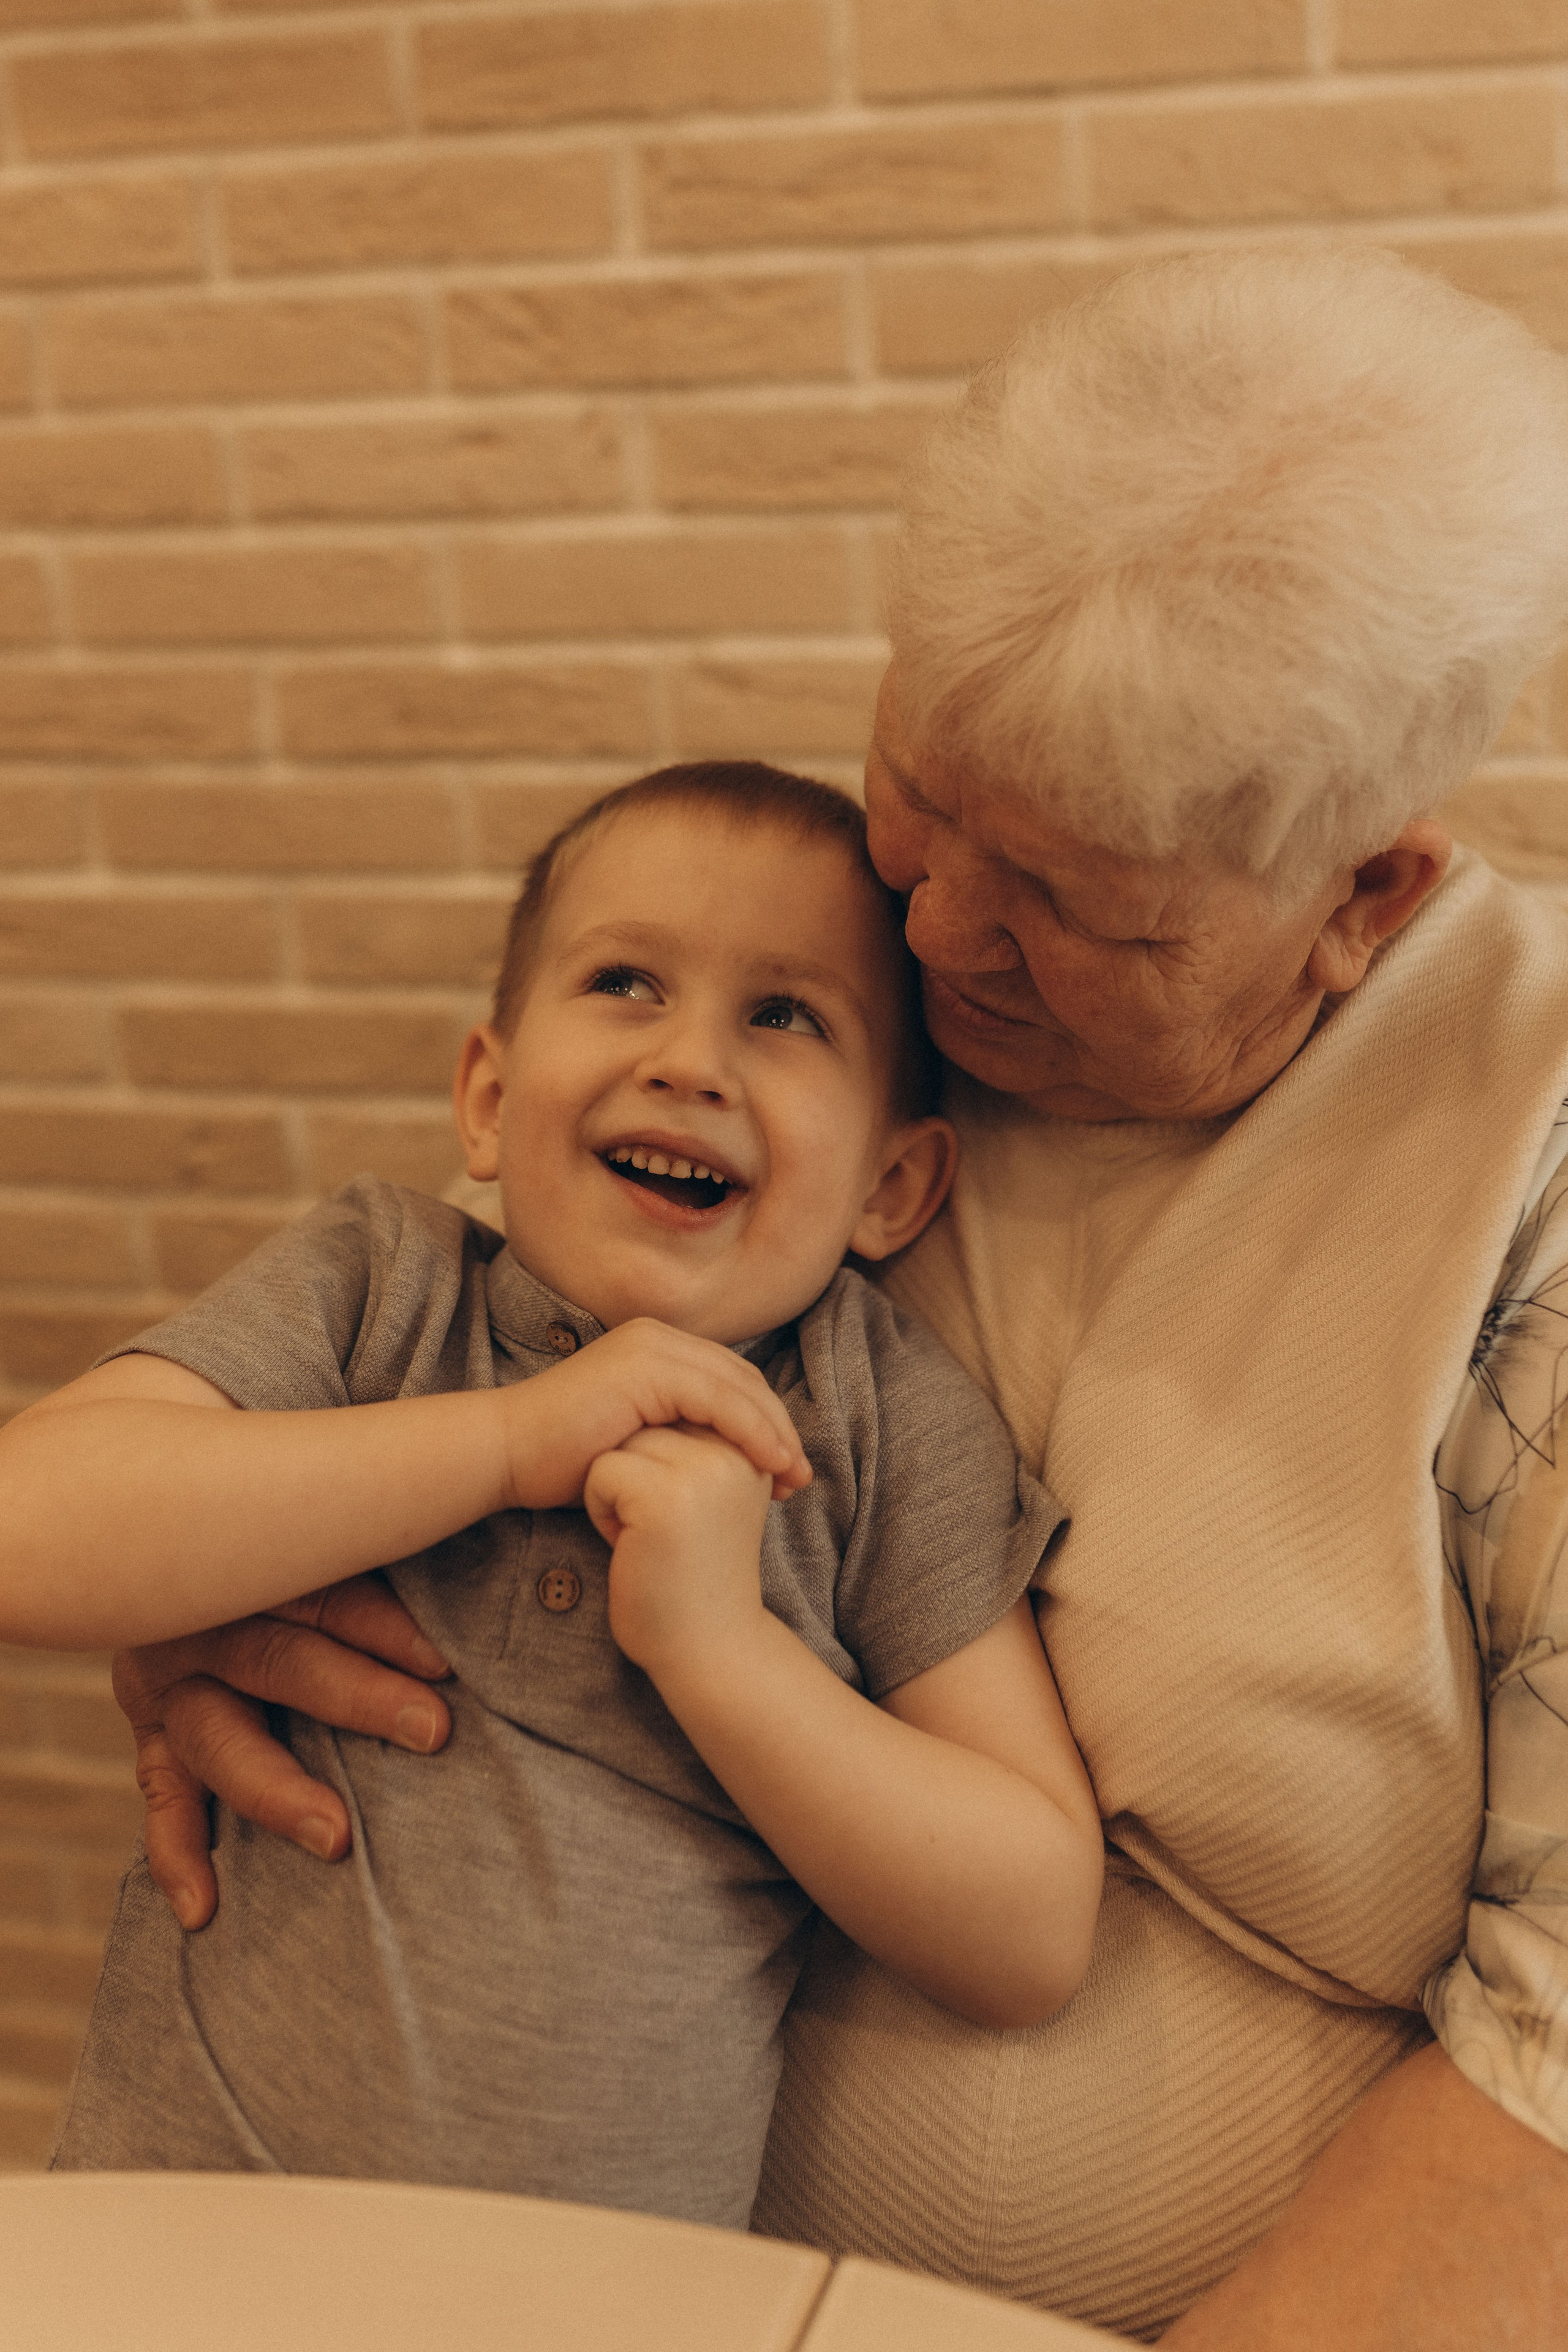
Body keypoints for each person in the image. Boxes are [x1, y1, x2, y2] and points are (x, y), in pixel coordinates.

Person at [107, 247, 1568, 2346]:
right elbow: (433, 1357)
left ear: (1369, 892)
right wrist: (216, 1588)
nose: (935, 930)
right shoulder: (801, 998)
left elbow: (1554, 2087)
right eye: (926, 786)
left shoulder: (1535, 1186)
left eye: (1066, 900)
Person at [1, 765, 1102, 2221]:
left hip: (599, 2297)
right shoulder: (377, 1288)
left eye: (785, 1015)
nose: (690, 1062)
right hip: (183, 2239)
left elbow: (1027, 1933)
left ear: (892, 1190)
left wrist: (722, 1651)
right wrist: (511, 1440)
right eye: (627, 983)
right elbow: (29, 1532)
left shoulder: (875, 1418)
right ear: (489, 1098)